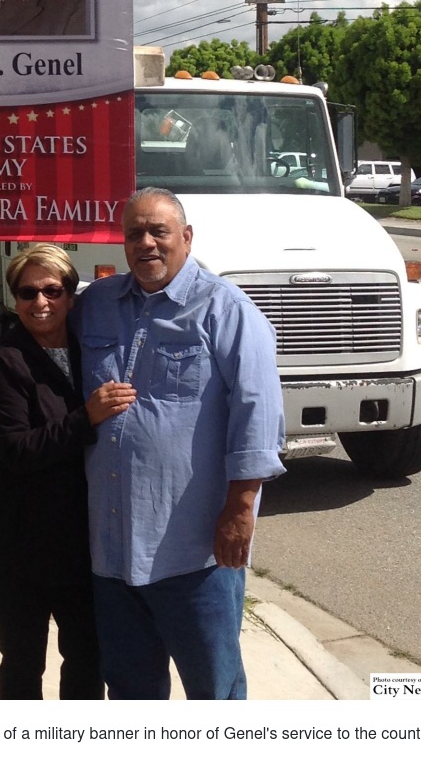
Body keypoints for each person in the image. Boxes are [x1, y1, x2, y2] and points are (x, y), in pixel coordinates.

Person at [71, 187, 285, 701]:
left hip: (193, 552)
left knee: (214, 691)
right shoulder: (96, 304)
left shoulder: (226, 309)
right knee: (130, 691)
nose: (146, 243)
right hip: (111, 549)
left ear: (186, 237)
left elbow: (258, 412)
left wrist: (241, 509)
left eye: (158, 231)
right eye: (134, 234)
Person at [0, 245, 136, 700]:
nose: (40, 302)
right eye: (28, 293)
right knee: (23, 661)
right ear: (15, 300)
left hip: (76, 538)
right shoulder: (6, 363)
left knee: (87, 655)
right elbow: (18, 451)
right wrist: (86, 417)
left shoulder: (87, 350)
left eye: (52, 291)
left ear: (70, 296)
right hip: (17, 541)